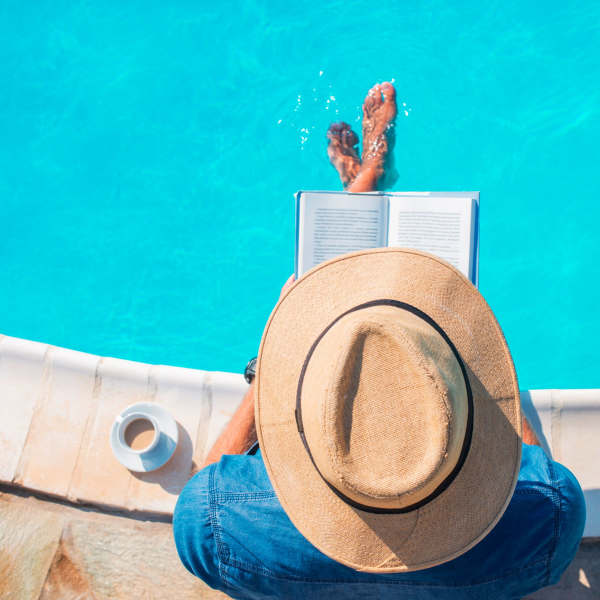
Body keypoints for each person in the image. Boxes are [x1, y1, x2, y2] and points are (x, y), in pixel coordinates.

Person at [173, 82, 586, 599]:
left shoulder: (214, 526)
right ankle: (366, 177)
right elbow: (534, 469)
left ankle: (362, 187)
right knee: (393, 347)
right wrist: (479, 371)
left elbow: (198, 494)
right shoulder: (550, 519)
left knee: (357, 340)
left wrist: (270, 369)